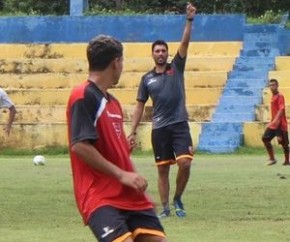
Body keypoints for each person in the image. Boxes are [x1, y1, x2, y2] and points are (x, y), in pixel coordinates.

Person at [66, 35, 168, 242]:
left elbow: (115, 153)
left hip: (132, 197)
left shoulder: (113, 103)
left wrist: (132, 177)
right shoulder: (83, 95)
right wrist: (122, 175)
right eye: (122, 62)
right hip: (100, 196)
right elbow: (80, 146)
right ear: (116, 62)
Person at [129, 3, 196, 218]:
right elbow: (140, 105)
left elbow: (185, 42)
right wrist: (132, 130)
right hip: (159, 128)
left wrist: (189, 20)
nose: (161, 53)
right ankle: (166, 208)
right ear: (152, 55)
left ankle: (178, 198)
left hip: (179, 124)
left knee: (185, 163)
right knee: (163, 169)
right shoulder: (146, 79)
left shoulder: (176, 67)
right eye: (157, 51)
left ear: (168, 53)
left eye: (163, 51)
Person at [262, 78, 289, 166]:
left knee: (283, 143)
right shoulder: (273, 97)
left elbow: (281, 109)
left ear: (277, 86)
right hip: (274, 124)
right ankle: (272, 158)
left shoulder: (280, 96)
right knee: (265, 138)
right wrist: (272, 121)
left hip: (281, 124)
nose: (271, 87)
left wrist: (276, 119)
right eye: (270, 85)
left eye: (273, 85)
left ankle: (287, 161)